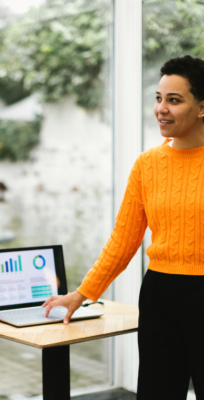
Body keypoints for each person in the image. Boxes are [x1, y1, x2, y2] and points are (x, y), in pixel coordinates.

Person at [43, 55, 204, 399]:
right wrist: (83, 293)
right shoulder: (147, 165)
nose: (161, 108)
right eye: (159, 99)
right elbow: (123, 239)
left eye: (174, 100)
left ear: (202, 107)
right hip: (160, 295)